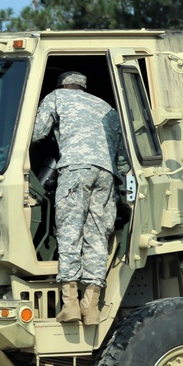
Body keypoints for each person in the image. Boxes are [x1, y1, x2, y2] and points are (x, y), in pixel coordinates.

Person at [32, 71, 129, 324]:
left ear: (63, 85)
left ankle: (71, 305)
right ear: (83, 87)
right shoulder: (106, 106)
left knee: (69, 231)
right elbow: (121, 155)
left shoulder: (56, 97)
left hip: (75, 169)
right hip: (107, 173)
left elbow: (36, 133)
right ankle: (92, 307)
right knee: (98, 236)